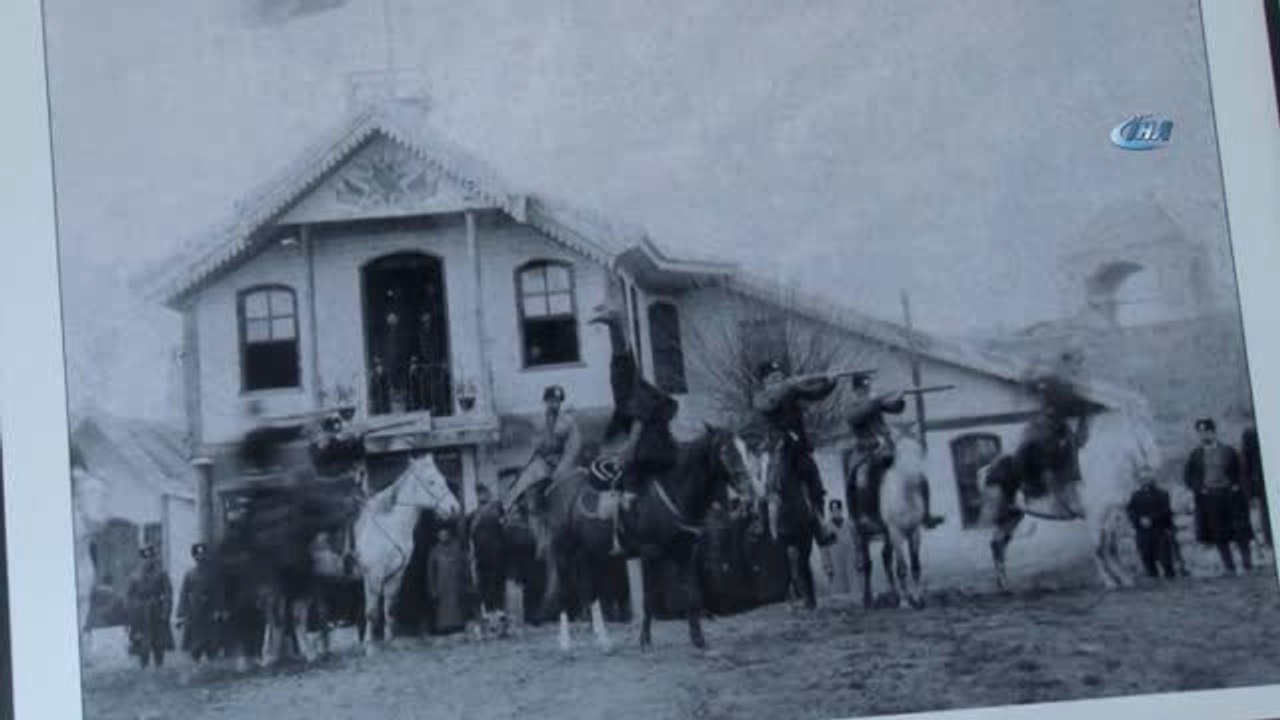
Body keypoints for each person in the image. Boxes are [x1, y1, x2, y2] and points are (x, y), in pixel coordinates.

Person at [589, 288, 680, 554]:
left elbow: (639, 428)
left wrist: (627, 451)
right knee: (621, 370)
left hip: (651, 451)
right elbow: (623, 367)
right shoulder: (636, 393)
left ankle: (627, 537)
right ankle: (615, 324)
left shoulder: (646, 395)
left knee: (625, 488)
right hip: (647, 442)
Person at [846, 374, 944, 530]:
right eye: (862, 389)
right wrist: (875, 401)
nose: (865, 391)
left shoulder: (874, 403)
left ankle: (926, 514)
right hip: (864, 450)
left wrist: (899, 398)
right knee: (856, 478)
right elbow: (856, 417)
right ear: (855, 391)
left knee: (917, 475)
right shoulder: (853, 406)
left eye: (867, 388)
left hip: (886, 449)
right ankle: (860, 517)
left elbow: (895, 409)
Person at [1184, 417, 1253, 575]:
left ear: (1214, 432)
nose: (1204, 436)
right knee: (1219, 532)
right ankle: (1229, 567)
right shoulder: (1196, 455)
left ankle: (1247, 563)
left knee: (1240, 530)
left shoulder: (1228, 451)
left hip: (1231, 496)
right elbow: (1188, 476)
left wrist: (1236, 485)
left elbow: (1241, 471)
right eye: (1200, 433)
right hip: (1210, 497)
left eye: (1207, 432)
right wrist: (1199, 488)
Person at [505, 385, 582, 513]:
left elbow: (573, 449)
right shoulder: (538, 420)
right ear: (545, 402)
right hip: (543, 462)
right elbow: (532, 446)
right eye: (551, 401)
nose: (554, 404)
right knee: (523, 482)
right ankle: (508, 512)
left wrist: (560, 469)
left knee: (568, 491)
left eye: (557, 401)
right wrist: (528, 462)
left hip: (562, 464)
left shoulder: (568, 422)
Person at [175, 543, 225, 664]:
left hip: (210, 611)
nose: (200, 558)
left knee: (212, 642)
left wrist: (219, 610)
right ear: (194, 557)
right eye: (198, 555)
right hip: (195, 612)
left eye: (203, 555)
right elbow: (184, 594)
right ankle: (195, 661)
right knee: (195, 643)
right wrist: (181, 613)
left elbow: (219, 592)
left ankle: (212, 662)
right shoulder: (190, 574)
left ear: (207, 556)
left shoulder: (214, 574)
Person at [126, 545, 174, 669]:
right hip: (140, 614)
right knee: (142, 644)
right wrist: (130, 617)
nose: (148, 560)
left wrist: (166, 611)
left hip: (157, 611)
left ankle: (159, 666)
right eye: (144, 557)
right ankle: (144, 667)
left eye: (150, 557)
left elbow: (168, 593)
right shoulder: (134, 576)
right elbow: (130, 597)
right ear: (141, 559)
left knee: (159, 643)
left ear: (154, 557)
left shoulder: (162, 574)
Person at [1126, 467, 1176, 579]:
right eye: (1143, 478)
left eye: (1148, 478)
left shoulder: (1162, 494)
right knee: (1147, 556)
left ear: (1153, 479)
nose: (1145, 480)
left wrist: (1152, 519)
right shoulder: (1136, 495)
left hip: (1159, 530)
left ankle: (1170, 577)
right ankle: (1153, 577)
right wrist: (1139, 519)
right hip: (1142, 531)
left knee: (1165, 558)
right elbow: (1130, 511)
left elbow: (1166, 511)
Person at [427, 526, 472, 635]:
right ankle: (444, 628)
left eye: (445, 535)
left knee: (457, 607)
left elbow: (465, 564)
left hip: (456, 584)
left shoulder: (457, 547)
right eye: (441, 535)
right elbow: (430, 571)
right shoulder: (435, 550)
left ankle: (458, 626)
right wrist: (433, 588)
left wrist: (467, 582)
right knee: (443, 610)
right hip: (441, 585)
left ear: (449, 535)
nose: (443, 537)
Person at [820, 500, 860, 596]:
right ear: (830, 512)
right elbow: (823, 550)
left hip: (850, 562)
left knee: (855, 591)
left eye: (837, 509)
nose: (835, 512)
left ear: (841, 510)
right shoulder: (826, 528)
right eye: (833, 510)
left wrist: (859, 560)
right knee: (838, 594)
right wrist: (827, 567)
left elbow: (858, 544)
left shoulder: (850, 525)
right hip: (835, 565)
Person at [1241, 424, 1271, 548]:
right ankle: (1270, 540)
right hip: (1263, 483)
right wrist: (1250, 490)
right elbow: (1246, 465)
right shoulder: (1251, 434)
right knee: (1267, 513)